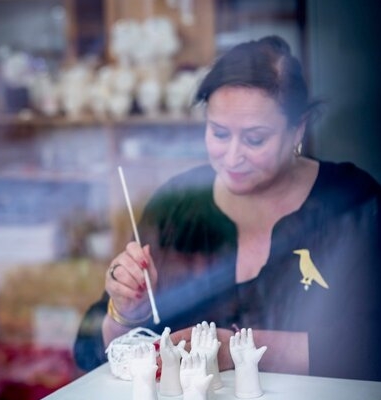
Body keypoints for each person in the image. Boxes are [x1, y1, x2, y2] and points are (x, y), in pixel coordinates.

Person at [74, 35, 381, 381]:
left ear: (298, 130)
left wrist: (232, 349)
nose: (233, 157)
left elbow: (370, 347)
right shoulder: (177, 206)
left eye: (254, 139)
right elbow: (90, 350)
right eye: (219, 133)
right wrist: (126, 313)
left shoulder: (350, 205)